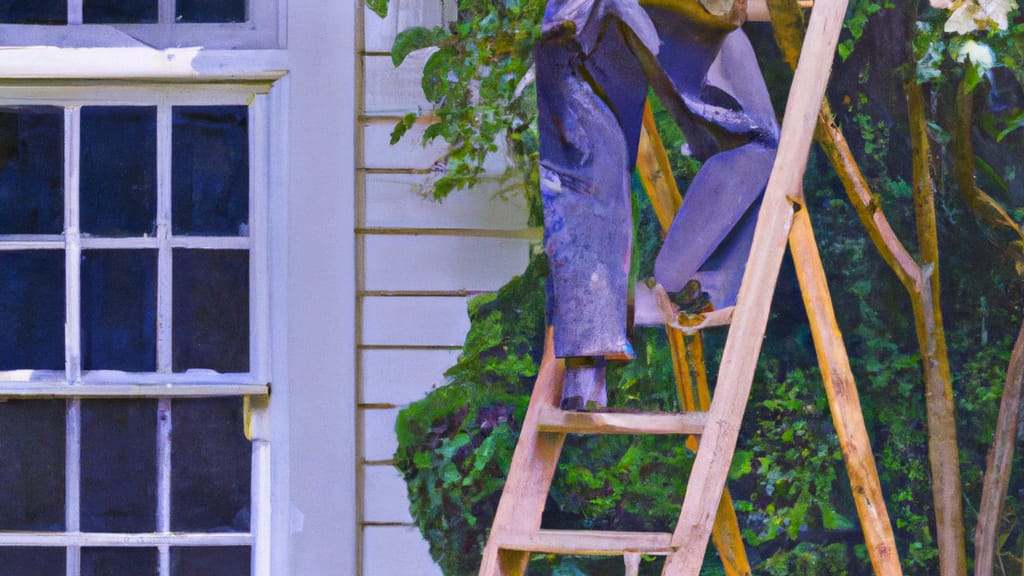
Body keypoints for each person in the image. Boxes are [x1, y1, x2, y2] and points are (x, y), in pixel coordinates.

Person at [537, 0, 780, 409]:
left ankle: (585, 374)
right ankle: (690, 284)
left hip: (569, 20)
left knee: (581, 174)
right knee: (757, 141)